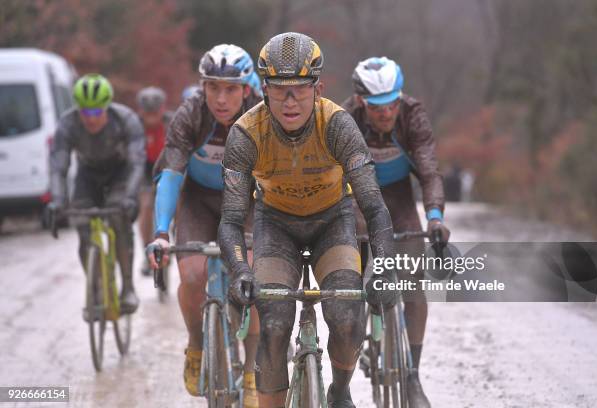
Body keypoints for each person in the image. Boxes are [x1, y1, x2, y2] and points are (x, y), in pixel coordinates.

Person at [218, 32, 399, 408]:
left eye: (299, 88)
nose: (289, 101)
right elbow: (232, 221)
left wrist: (381, 267)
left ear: (318, 88)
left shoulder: (338, 125)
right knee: (273, 325)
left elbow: (375, 208)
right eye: (278, 88)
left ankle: (340, 390)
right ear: (263, 88)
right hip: (276, 226)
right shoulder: (246, 133)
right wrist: (239, 271)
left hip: (332, 221)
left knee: (348, 317)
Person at [145, 44, 261, 405]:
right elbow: (171, 173)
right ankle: (196, 343)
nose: (221, 99)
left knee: (255, 281)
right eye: (213, 88)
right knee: (193, 275)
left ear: (245, 89)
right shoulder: (190, 113)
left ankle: (254, 369)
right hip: (197, 199)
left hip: (247, 202)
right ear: (202, 87)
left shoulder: (262, 113)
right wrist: (162, 233)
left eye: (230, 89)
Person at [343, 56, 450, 408]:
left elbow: (429, 171)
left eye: (391, 103)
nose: (386, 113)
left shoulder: (412, 114)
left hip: (400, 198)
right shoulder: (346, 118)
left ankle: (412, 377)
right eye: (377, 107)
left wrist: (434, 217)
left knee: (413, 283)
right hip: (357, 199)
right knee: (352, 278)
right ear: (361, 101)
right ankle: (359, 333)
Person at [48, 73, 145, 316]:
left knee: (118, 218)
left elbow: (136, 163)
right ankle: (97, 290)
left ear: (106, 107)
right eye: (84, 112)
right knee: (84, 230)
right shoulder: (67, 124)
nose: (90, 118)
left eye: (96, 112)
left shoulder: (125, 119)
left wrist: (131, 196)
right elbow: (59, 166)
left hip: (119, 173)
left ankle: (128, 287)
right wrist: (58, 200)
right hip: (87, 174)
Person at [135, 86, 172, 276]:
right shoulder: (135, 126)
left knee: (179, 203)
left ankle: (177, 243)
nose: (151, 117)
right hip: (144, 170)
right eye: (147, 113)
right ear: (141, 111)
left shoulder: (171, 123)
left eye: (155, 112)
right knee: (147, 205)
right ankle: (145, 250)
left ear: (162, 110)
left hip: (167, 168)